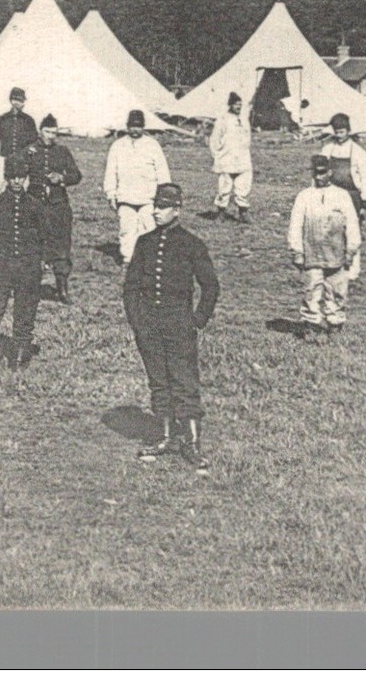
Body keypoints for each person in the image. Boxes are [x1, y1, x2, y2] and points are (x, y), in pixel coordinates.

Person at [123, 183, 220, 473]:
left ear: (177, 209)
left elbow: (211, 286)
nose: (155, 211)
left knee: (184, 381)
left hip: (179, 323)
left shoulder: (191, 244)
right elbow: (130, 287)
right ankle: (165, 437)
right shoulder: (144, 242)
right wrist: (137, 320)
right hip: (149, 323)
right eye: (155, 205)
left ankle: (190, 443)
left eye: (162, 207)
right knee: (158, 380)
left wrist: (196, 319)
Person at [0, 153, 49, 375]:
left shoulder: (35, 206)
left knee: (25, 315)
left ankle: (18, 362)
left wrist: (40, 263)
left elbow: (46, 238)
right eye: (12, 177)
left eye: (20, 177)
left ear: (26, 179)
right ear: (6, 178)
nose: (16, 182)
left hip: (28, 268)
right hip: (1, 268)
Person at [287, 154, 362, 338]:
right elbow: (295, 225)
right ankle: (311, 325)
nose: (318, 178)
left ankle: (335, 324)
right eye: (315, 173)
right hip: (312, 252)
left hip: (336, 253)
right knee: (311, 290)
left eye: (322, 173)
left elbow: (352, 224)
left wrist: (351, 250)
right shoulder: (305, 196)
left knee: (337, 291)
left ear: (330, 172)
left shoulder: (342, 196)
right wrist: (297, 251)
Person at [102, 110, 171, 266]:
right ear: (127, 127)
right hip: (125, 196)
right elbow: (111, 172)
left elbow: (162, 171)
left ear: (143, 127)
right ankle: (127, 258)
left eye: (138, 127)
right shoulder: (117, 146)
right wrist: (111, 193)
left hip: (148, 197)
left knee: (148, 227)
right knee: (127, 228)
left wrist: (163, 194)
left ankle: (147, 259)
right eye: (132, 127)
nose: (135, 130)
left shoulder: (152, 145)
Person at [28, 115, 83, 302]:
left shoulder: (62, 151)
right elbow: (16, 169)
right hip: (35, 206)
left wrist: (62, 178)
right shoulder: (30, 150)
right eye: (47, 131)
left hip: (58, 206)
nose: (51, 136)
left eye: (54, 132)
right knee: (34, 246)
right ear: (40, 131)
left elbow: (76, 175)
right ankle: (31, 288)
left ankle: (62, 289)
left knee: (61, 247)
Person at [318, 112, 366, 283]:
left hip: (351, 196)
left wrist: (365, 200)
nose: (339, 135)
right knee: (328, 231)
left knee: (351, 233)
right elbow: (318, 173)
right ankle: (330, 266)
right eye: (336, 132)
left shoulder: (358, 152)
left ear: (348, 131)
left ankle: (352, 269)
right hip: (331, 195)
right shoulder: (327, 149)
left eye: (342, 132)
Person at [206, 93, 252, 223]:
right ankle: (221, 213)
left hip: (243, 158)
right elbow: (215, 139)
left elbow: (248, 137)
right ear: (231, 105)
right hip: (227, 158)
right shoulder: (223, 120)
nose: (239, 106)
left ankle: (243, 213)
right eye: (236, 104)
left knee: (243, 185)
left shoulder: (244, 119)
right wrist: (217, 156)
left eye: (240, 104)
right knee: (225, 186)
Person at [0, 87, 37, 194]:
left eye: (22, 101)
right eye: (18, 100)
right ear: (12, 101)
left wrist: (31, 162)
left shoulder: (29, 121)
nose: (20, 103)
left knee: (23, 189)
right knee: (0, 189)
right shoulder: (2, 119)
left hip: (23, 160)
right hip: (4, 160)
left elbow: (35, 143)